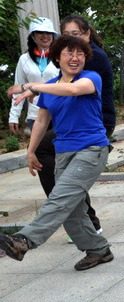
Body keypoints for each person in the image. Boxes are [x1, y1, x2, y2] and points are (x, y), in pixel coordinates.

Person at [1, 35, 114, 270]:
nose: (75, 58)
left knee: (60, 198)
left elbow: (73, 91)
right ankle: (98, 250)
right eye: (69, 53)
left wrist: (32, 86)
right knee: (72, 208)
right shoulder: (50, 87)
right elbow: (42, 121)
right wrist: (31, 152)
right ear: (57, 57)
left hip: (92, 149)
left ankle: (24, 240)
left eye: (80, 54)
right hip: (63, 152)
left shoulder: (90, 78)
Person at [35, 15, 115, 236]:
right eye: (66, 36)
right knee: (49, 158)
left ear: (87, 35)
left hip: (97, 122)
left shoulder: (93, 58)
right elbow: (49, 108)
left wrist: (33, 86)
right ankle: (78, 217)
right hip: (74, 123)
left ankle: (79, 218)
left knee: (65, 175)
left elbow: (73, 89)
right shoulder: (71, 56)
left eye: (76, 35)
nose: (73, 52)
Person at [8, 17, 59, 134]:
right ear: (33, 35)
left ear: (53, 35)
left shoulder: (61, 56)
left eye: (48, 32)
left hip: (59, 112)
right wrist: (14, 116)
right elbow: (18, 87)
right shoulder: (24, 59)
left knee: (61, 150)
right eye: (40, 32)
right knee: (40, 151)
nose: (45, 36)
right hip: (35, 115)